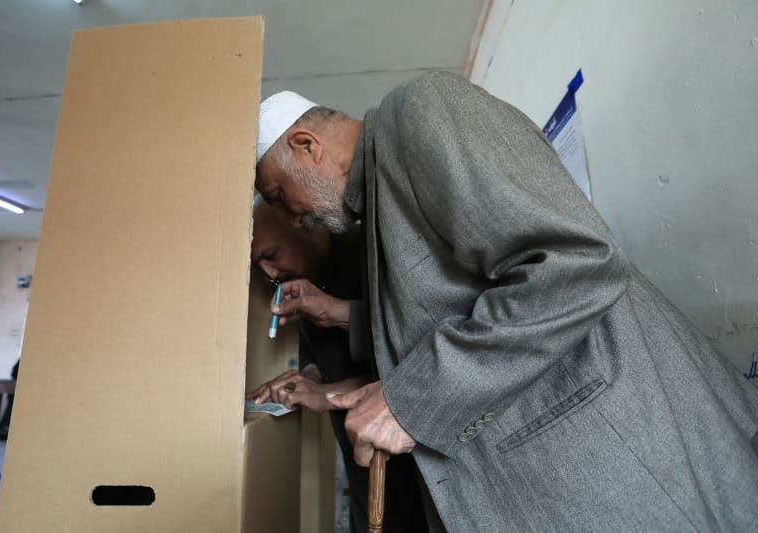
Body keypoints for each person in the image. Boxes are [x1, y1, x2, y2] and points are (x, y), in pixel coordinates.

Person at [253, 73, 758, 532]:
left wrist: (408, 402)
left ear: (306, 145)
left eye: (278, 195)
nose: (293, 219)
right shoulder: (378, 208)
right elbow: (451, 311)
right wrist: (349, 380)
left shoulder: (420, 110)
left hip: (629, 466)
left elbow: (573, 261)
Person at [246, 198, 427, 533]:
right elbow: (312, 345)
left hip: (412, 474)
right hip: (364, 480)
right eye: (259, 266)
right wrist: (308, 378)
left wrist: (328, 392)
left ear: (298, 222)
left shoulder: (371, 251)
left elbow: (418, 365)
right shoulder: (305, 276)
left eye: (270, 256)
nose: (269, 273)